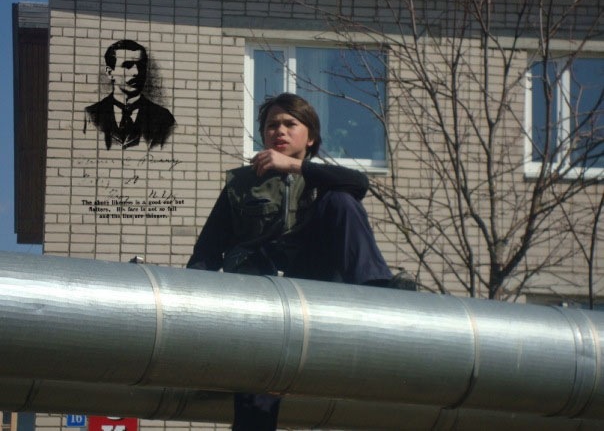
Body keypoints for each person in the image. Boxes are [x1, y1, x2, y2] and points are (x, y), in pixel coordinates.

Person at [187, 93, 413, 430]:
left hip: (310, 282)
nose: (279, 131)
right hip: (260, 294)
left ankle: (377, 291)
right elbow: (207, 251)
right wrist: (192, 306)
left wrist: (294, 166)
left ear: (310, 137)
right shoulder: (241, 184)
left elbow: (360, 183)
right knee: (256, 403)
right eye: (271, 125)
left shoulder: (325, 180)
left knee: (342, 201)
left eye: (290, 124)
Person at [84, 39, 176, 150]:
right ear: (110, 72)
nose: (136, 72)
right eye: (127, 65)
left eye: (140, 66)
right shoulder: (90, 116)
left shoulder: (164, 118)